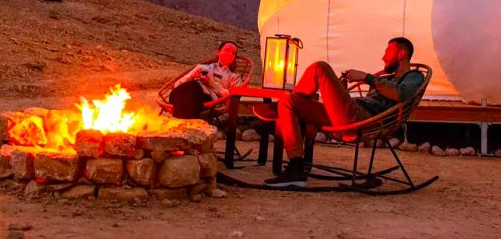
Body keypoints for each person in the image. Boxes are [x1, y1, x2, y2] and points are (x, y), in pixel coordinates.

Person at [264, 36, 424, 187]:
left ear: (401, 54)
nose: (383, 57)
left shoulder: (413, 76)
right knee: (288, 101)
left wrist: (367, 78)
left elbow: (402, 94)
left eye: (387, 52)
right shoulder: (385, 79)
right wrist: (341, 92)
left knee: (320, 67)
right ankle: (296, 168)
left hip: (365, 120)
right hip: (350, 113)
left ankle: (279, 110)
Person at [169, 40, 242, 119]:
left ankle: (182, 120)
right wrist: (192, 76)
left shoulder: (234, 77)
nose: (230, 54)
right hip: (181, 94)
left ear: (234, 58)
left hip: (209, 100)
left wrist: (210, 82)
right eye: (227, 50)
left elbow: (232, 96)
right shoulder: (202, 67)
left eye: (233, 53)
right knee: (190, 89)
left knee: (193, 88)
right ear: (218, 52)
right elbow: (177, 85)